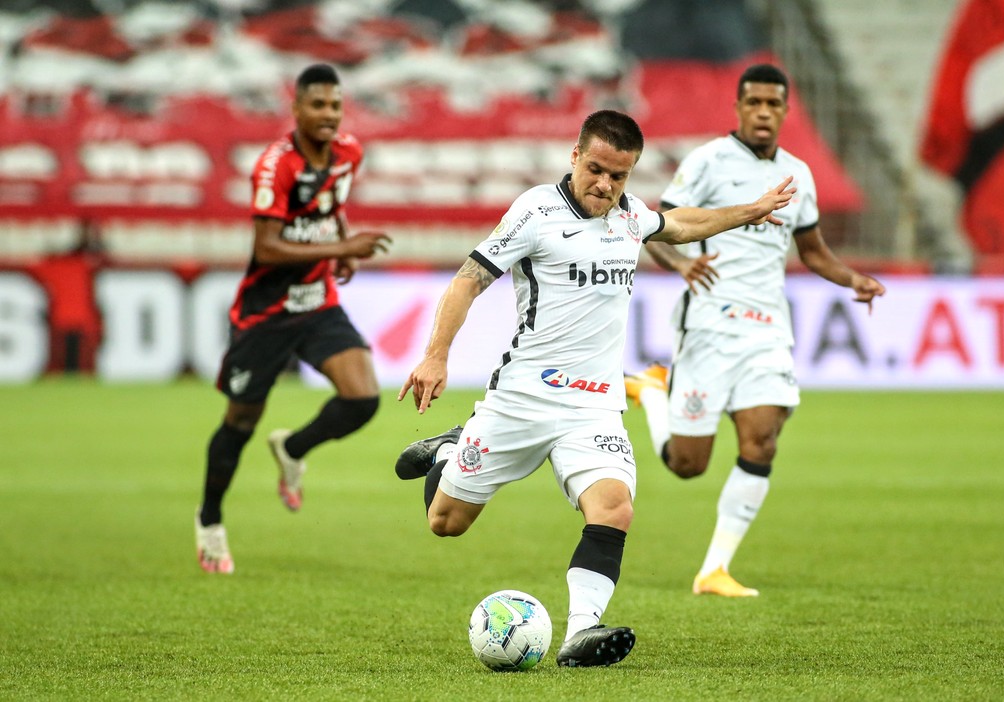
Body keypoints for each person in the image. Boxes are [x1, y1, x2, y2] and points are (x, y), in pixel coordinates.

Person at [394, 109, 795, 666]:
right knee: (446, 523)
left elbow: (682, 225)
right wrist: (436, 355)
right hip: (522, 398)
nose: (605, 185)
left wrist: (750, 212)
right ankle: (451, 447)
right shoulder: (535, 211)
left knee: (614, 508)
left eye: (620, 175)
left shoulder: (630, 216)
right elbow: (468, 280)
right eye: (597, 169)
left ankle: (582, 631)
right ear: (575, 156)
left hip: (593, 405)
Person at [624, 63, 886, 597]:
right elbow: (654, 225)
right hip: (709, 325)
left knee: (761, 441)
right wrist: (680, 266)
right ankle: (653, 391)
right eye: (755, 103)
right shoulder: (708, 161)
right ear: (739, 107)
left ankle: (714, 570)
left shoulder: (798, 174)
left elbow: (812, 251)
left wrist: (852, 278)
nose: (764, 112)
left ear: (786, 111)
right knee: (687, 465)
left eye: (774, 104)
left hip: (767, 330)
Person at [195, 64, 391, 574]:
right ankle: (210, 521)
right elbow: (266, 244)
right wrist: (345, 245)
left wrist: (339, 248)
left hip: (316, 302)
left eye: (335, 106)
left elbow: (329, 207)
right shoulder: (274, 166)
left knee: (363, 398)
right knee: (239, 421)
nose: (328, 115)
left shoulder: (349, 152)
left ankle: (293, 448)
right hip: (266, 313)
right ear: (296, 109)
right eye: (318, 105)